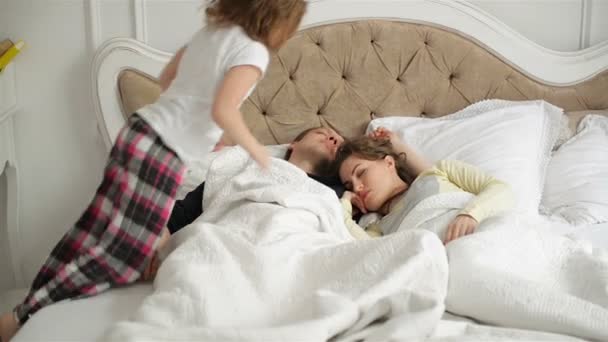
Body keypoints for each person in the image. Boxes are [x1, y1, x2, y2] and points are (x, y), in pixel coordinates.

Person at [0, 1, 307, 340]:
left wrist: (207, 131)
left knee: (93, 229)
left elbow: (167, 79)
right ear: (283, 19)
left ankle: (31, 300)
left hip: (139, 132)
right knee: (123, 254)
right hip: (163, 152)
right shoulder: (254, 53)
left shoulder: (214, 32)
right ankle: (21, 317)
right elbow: (224, 109)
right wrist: (257, 150)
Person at [335, 131, 514, 243]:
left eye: (361, 173)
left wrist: (470, 214)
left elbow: (500, 189)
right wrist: (345, 202)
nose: (357, 187)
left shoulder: (441, 172)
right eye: (349, 186)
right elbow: (359, 245)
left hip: (487, 235)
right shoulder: (378, 228)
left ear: (388, 163)